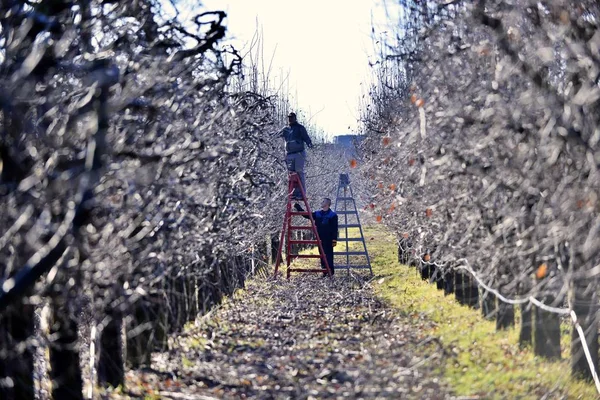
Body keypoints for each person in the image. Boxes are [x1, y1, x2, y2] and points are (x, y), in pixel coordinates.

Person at [294, 198, 338, 276]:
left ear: (327, 204)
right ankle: (324, 272)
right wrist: (298, 208)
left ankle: (331, 273)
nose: (321, 202)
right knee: (322, 255)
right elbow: (307, 215)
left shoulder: (333, 215)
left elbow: (335, 229)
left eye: (323, 201)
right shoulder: (318, 214)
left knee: (329, 255)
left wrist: (334, 240)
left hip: (328, 239)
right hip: (319, 238)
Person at [278, 112, 313, 200]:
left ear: (295, 118)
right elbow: (276, 134)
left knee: (299, 172)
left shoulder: (300, 128)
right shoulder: (286, 129)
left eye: (292, 117)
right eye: (289, 117)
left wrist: (310, 144)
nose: (290, 119)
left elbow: (306, 137)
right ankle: (293, 193)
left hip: (299, 153)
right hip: (289, 154)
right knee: (291, 174)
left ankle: (302, 193)